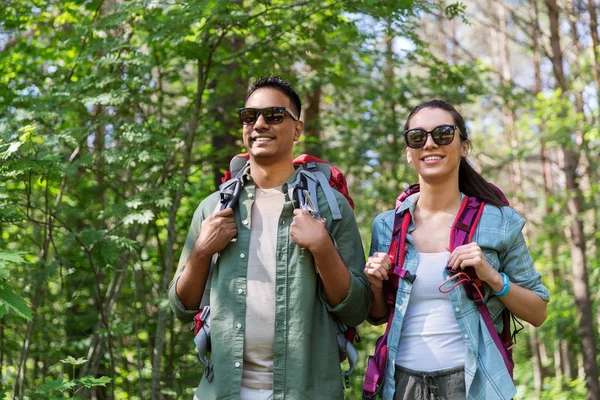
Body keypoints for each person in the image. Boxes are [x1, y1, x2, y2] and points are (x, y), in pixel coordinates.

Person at [169, 76, 372, 400]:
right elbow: (181, 307)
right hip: (222, 391)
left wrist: (322, 248)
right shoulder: (214, 208)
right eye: (250, 116)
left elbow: (357, 309)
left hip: (306, 392)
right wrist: (201, 252)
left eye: (274, 115)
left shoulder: (329, 209)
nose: (260, 124)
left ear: (297, 129)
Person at [364, 100, 549, 400]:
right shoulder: (386, 226)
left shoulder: (500, 221)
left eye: (444, 134)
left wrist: (492, 276)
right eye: (417, 137)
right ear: (408, 153)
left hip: (474, 383)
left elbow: (538, 311)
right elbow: (377, 315)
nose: (430, 143)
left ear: (464, 145)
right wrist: (374, 284)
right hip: (401, 384)